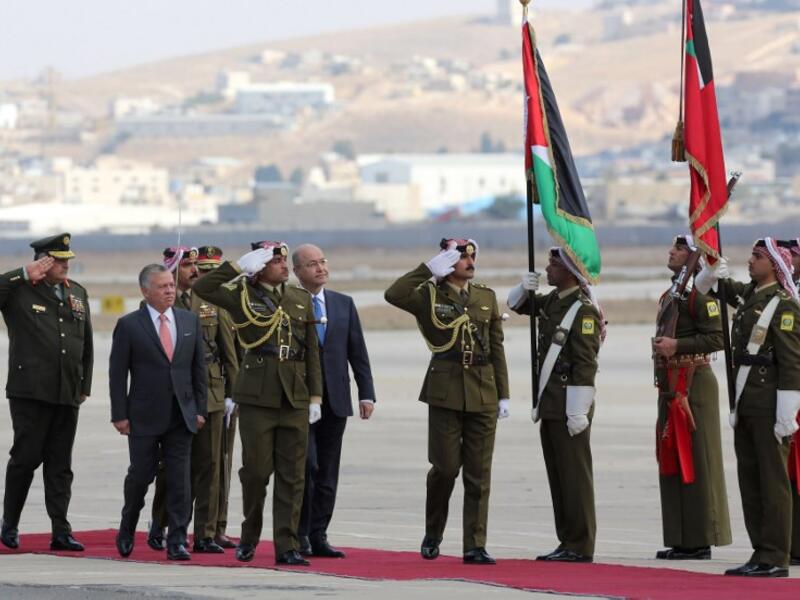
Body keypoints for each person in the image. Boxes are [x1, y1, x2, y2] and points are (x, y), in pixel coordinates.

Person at [192, 241, 322, 566]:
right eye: (275, 261)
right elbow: (203, 286)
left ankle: (287, 545)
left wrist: (316, 395)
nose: (283, 265)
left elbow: (312, 353)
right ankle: (249, 536)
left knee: (293, 475)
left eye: (283, 259)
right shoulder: (240, 296)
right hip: (257, 397)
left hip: (294, 395)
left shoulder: (300, 299)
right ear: (260, 266)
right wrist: (237, 266)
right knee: (256, 473)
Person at [385, 238, 510, 565]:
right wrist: (428, 269)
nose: (469, 261)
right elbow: (393, 294)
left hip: (483, 390)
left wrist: (504, 394)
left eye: (472, 256)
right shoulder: (428, 294)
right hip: (446, 389)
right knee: (445, 469)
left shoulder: (485, 296)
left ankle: (475, 544)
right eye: (460, 257)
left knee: (479, 474)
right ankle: (433, 532)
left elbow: (496, 348)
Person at [695, 237, 800, 577]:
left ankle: (775, 557)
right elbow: (711, 288)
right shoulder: (753, 296)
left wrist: (787, 411)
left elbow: (792, 362)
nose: (750, 261)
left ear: (774, 264)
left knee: (773, 484)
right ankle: (760, 552)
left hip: (769, 404)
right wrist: (712, 270)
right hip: (747, 403)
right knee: (751, 482)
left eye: (757, 257)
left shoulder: (783, 305)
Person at [507, 247, 603, 563]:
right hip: (551, 402)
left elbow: (585, 363)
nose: (548, 268)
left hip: (569, 403)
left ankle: (581, 543)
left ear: (572, 270)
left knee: (575, 476)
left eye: (554, 263)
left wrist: (577, 409)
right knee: (559, 476)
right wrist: (525, 286)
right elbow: (517, 305)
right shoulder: (554, 301)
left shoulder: (583, 310)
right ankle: (567, 540)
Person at [0, 233, 93, 552]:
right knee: (25, 459)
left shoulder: (77, 293)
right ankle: (9, 524)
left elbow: (86, 344)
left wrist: (85, 385)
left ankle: (61, 530)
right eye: (59, 259)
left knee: (60, 465)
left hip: (66, 392)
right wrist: (22, 273)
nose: (67, 264)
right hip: (31, 392)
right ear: (44, 260)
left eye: (68, 258)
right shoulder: (19, 291)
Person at [110, 264, 208, 561]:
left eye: (171, 285)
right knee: (141, 476)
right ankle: (127, 526)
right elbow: (117, 374)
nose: (170, 290)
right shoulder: (129, 325)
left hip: (182, 414)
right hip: (143, 416)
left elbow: (198, 370)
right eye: (163, 286)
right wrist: (119, 414)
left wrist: (200, 410)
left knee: (180, 480)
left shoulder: (189, 321)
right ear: (145, 291)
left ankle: (177, 539)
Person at [147, 246, 239, 554]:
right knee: (170, 467)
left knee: (209, 465)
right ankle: (161, 525)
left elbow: (227, 348)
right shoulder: (158, 304)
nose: (193, 271)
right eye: (187, 266)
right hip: (173, 394)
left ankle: (204, 533)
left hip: (209, 394)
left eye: (193, 266)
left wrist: (231, 393)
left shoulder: (210, 300)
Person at [292, 244, 376, 558]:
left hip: (336, 399)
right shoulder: (290, 303)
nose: (321, 268)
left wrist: (366, 392)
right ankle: (298, 534)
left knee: (327, 471)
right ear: (297, 271)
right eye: (312, 264)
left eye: (323, 262)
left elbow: (358, 353)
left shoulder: (343, 304)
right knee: (307, 467)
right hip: (300, 401)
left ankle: (319, 535)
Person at [651, 235, 731, 560]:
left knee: (697, 459)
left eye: (680, 248)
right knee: (671, 458)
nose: (671, 251)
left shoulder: (701, 295)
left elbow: (718, 337)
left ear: (693, 257)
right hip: (671, 384)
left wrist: (677, 347)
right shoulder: (672, 294)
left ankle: (700, 538)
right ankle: (681, 538)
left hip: (694, 384)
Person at [195, 246, 240, 550]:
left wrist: (235, 393)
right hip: (205, 390)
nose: (209, 275)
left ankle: (218, 524)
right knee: (207, 463)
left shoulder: (231, 300)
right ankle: (205, 529)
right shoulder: (195, 301)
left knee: (223, 461)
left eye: (214, 270)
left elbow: (236, 351)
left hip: (225, 391)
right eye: (204, 270)